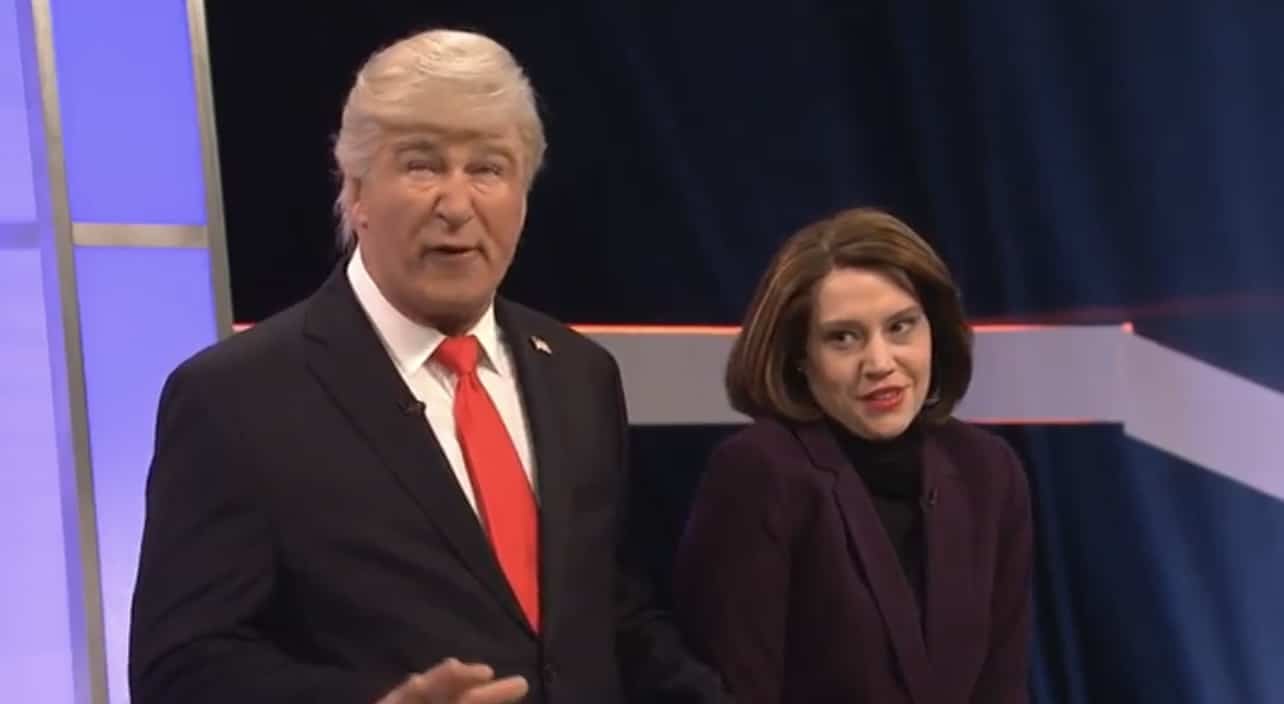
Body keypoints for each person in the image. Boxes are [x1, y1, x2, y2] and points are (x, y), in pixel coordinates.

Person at [129, 28, 727, 704]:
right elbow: (182, 669)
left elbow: (609, 617)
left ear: (523, 194)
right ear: (356, 190)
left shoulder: (579, 375)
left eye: (488, 169)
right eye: (422, 165)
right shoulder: (235, 397)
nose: (456, 205)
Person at [672, 207, 1033, 703]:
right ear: (800, 357)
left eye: (901, 327)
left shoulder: (987, 471)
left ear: (935, 330)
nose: (880, 363)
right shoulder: (760, 472)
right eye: (843, 338)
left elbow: (1003, 686)